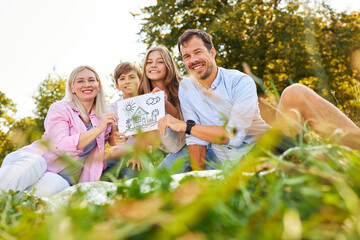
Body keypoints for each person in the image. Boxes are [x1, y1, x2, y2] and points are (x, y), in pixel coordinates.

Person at [157, 29, 360, 170]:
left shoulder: (239, 81)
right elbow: (195, 141)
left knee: (295, 93)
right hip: (235, 165)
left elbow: (234, 135)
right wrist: (200, 178)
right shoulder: (186, 88)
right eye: (186, 56)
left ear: (212, 52)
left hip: (268, 147)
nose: (192, 60)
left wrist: (187, 126)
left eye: (197, 52)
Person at [0, 65, 118, 196]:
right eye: (80, 81)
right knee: (32, 165)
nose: (87, 84)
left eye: (91, 80)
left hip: (61, 177)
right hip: (37, 158)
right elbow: (60, 145)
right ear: (72, 88)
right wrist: (98, 129)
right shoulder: (60, 108)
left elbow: (108, 140)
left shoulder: (101, 117)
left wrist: (115, 137)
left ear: (98, 85)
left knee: (52, 188)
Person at [138, 45, 220, 172]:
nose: (153, 65)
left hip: (197, 143)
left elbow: (188, 123)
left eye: (160, 62)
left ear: (168, 65)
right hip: (175, 150)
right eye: (149, 62)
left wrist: (165, 103)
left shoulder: (185, 86)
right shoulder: (142, 97)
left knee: (160, 179)